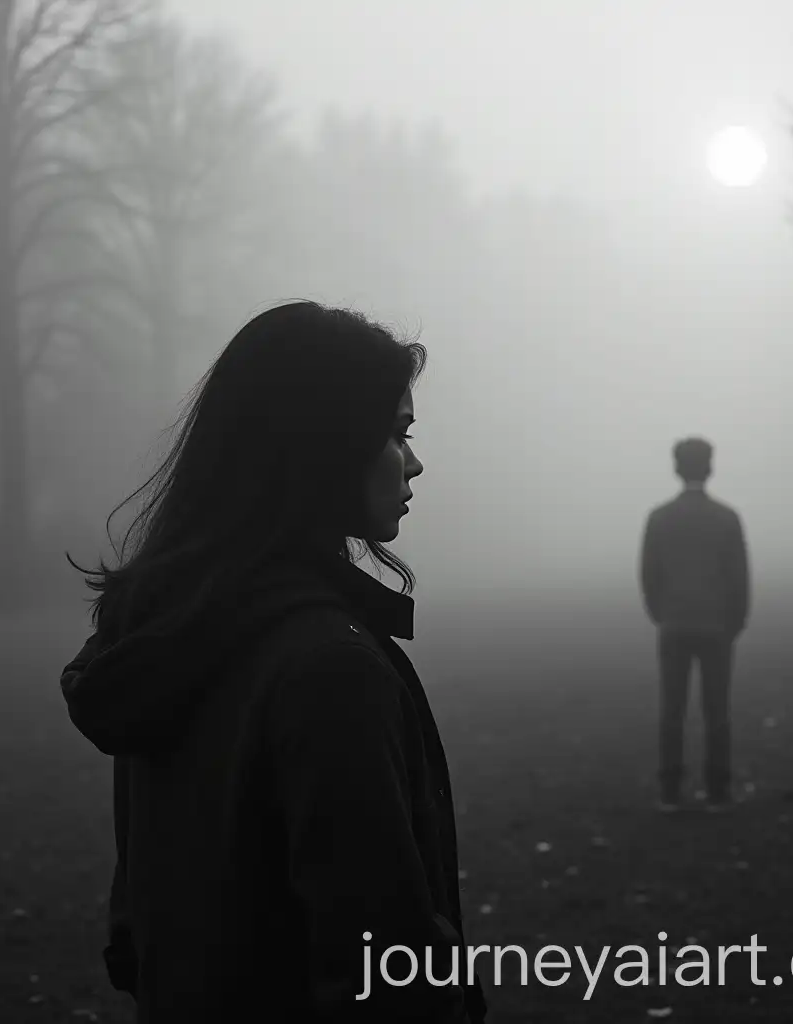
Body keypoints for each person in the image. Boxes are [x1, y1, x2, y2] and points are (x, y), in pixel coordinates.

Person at [60, 301, 487, 1023]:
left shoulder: (172, 631)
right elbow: (382, 967)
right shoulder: (326, 670)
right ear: (324, 445)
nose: (414, 462)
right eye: (395, 433)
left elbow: (140, 911)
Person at [638, 437, 750, 813]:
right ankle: (717, 790)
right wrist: (734, 622)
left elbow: (648, 575)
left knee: (672, 708)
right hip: (717, 624)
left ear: (676, 467)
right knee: (717, 709)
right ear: (710, 467)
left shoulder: (659, 517)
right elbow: (740, 578)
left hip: (674, 623)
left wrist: (661, 614)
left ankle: (670, 790)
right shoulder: (727, 517)